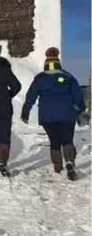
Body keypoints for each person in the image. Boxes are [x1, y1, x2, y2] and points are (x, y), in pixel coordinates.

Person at [21, 47, 87, 181]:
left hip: (47, 116)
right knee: (67, 139)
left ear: (46, 63)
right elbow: (78, 95)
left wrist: (26, 109)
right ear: (58, 62)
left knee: (54, 141)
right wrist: (81, 108)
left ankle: (57, 166)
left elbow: (31, 95)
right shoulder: (68, 77)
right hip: (67, 115)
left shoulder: (40, 79)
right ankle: (69, 162)